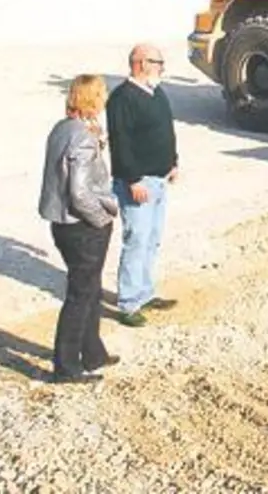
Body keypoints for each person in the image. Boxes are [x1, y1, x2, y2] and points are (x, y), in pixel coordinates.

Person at [37, 74, 119, 383]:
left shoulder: (62, 128)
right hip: (82, 226)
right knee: (81, 295)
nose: (105, 97)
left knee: (90, 288)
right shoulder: (81, 136)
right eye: (101, 93)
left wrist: (98, 140)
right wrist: (102, 218)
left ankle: (93, 352)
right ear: (91, 98)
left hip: (62, 223)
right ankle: (66, 366)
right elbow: (80, 192)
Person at [106, 44, 179, 327]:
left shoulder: (156, 93)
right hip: (138, 183)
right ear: (141, 63)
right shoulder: (122, 99)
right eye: (158, 62)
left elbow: (166, 131)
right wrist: (132, 179)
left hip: (159, 179)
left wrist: (173, 162)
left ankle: (145, 292)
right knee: (136, 241)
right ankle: (128, 302)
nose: (162, 68)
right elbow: (121, 142)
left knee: (152, 239)